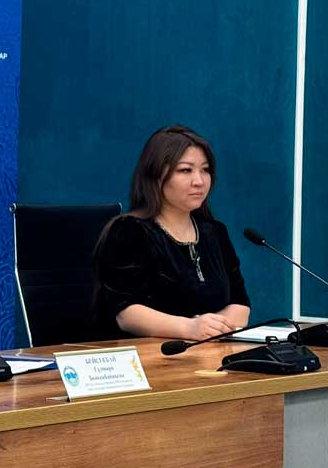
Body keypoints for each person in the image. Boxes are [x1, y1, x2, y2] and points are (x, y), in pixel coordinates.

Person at [90, 126, 250, 341]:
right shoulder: (129, 231)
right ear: (156, 175)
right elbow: (126, 314)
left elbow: (240, 305)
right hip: (147, 353)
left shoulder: (214, 232)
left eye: (205, 170)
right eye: (185, 170)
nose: (199, 181)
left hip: (208, 351)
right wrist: (191, 328)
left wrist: (211, 329)